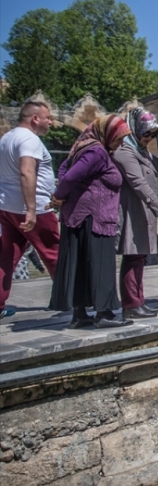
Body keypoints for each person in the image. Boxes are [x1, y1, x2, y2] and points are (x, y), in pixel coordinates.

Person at [49, 115, 133, 328]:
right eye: (119, 138)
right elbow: (69, 176)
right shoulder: (97, 151)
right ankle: (104, 313)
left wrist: (61, 196)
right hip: (94, 218)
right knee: (101, 264)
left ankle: (80, 314)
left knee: (82, 265)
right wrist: (59, 196)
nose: (121, 143)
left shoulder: (82, 146)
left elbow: (64, 169)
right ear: (108, 133)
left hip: (80, 217)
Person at [112, 108, 158, 319]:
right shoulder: (125, 151)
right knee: (132, 256)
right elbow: (138, 183)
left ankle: (139, 300)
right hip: (132, 210)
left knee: (140, 257)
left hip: (144, 212)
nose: (148, 138)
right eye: (145, 133)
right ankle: (131, 304)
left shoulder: (143, 152)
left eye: (152, 135)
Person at [0, 101, 60, 320]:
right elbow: (27, 172)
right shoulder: (29, 139)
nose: (51, 122)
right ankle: (67, 300)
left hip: (7, 207)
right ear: (35, 119)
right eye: (48, 117)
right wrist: (32, 210)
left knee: (6, 256)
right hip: (32, 208)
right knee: (54, 253)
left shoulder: (7, 137)